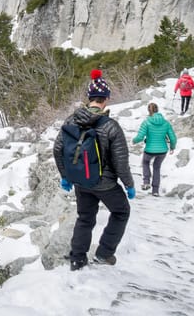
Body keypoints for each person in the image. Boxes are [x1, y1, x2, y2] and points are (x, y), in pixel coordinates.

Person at [53, 69, 135, 271]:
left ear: (88, 98)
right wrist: (128, 184)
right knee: (121, 211)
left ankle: (77, 258)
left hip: (81, 180)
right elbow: (120, 161)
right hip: (105, 183)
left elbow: (57, 149)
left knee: (85, 218)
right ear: (106, 99)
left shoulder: (71, 120)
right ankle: (104, 253)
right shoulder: (111, 126)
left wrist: (66, 176)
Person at [132, 102, 176, 197]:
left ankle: (146, 181)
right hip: (162, 150)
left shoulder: (146, 122)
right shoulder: (166, 123)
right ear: (157, 110)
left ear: (149, 111)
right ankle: (155, 191)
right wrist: (172, 147)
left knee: (145, 163)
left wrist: (134, 141)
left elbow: (140, 137)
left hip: (149, 150)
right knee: (157, 167)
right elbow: (173, 138)